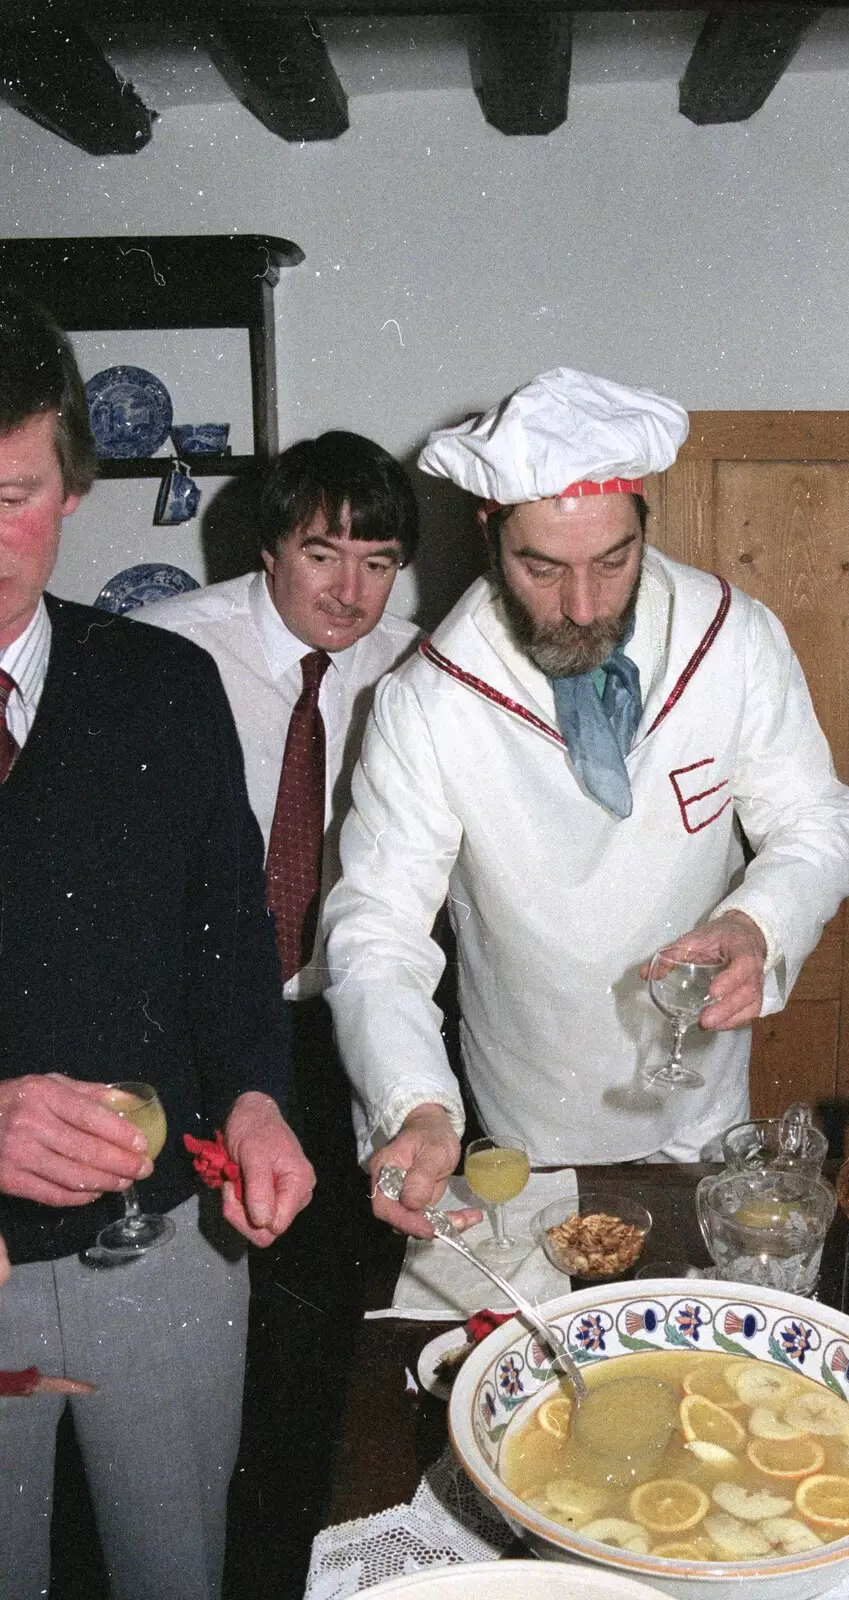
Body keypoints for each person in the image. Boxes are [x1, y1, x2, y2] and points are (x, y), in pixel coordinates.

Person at [323, 368, 849, 1236]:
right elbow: (377, 931)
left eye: (612, 561)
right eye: (541, 567)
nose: (581, 606)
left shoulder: (732, 639)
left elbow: (816, 820)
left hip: (702, 1106)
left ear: (645, 523)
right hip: (528, 1117)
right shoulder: (428, 701)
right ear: (489, 533)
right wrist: (418, 1106)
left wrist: (759, 924)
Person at [0, 294, 314, 1600]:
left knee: (178, 1574)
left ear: (72, 485)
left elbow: (230, 944)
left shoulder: (160, 683)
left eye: (10, 492)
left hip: (167, 1247)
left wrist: (254, 1099)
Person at [139, 432, 421, 1593]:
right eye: (321, 553)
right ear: (268, 547)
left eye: (379, 559)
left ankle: (305, 1550)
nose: (350, 590)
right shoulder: (167, 654)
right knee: (210, 1321)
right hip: (215, 1025)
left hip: (351, 1019)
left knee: (332, 1320)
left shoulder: (420, 663)